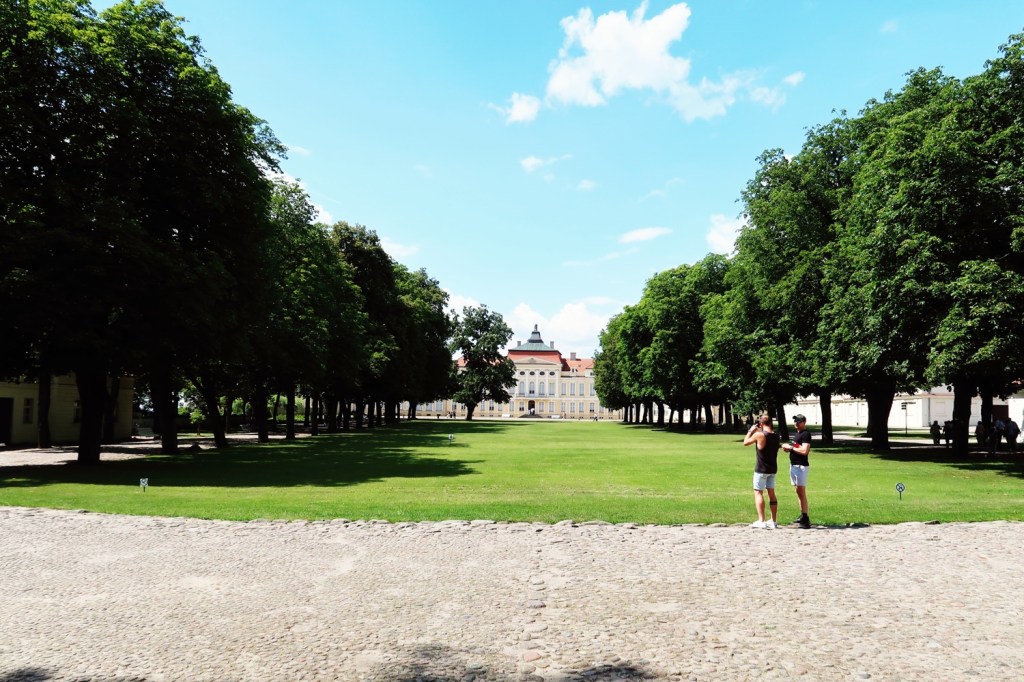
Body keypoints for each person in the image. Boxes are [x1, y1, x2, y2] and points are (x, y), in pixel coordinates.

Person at [743, 414, 781, 529]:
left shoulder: (759, 435)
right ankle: (773, 521)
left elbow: (745, 442)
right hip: (772, 468)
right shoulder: (776, 436)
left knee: (758, 492)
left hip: (761, 469)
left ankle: (762, 520)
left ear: (761, 423)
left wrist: (750, 431)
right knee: (771, 494)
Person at [783, 414, 812, 529]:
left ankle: (805, 518)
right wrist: (789, 448)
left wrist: (791, 448)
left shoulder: (805, 434)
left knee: (801, 492)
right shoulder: (798, 434)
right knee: (798, 492)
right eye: (795, 421)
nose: (796, 423)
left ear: (804, 422)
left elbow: (804, 451)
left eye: (799, 421)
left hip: (801, 466)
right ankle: (802, 515)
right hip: (794, 465)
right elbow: (797, 447)